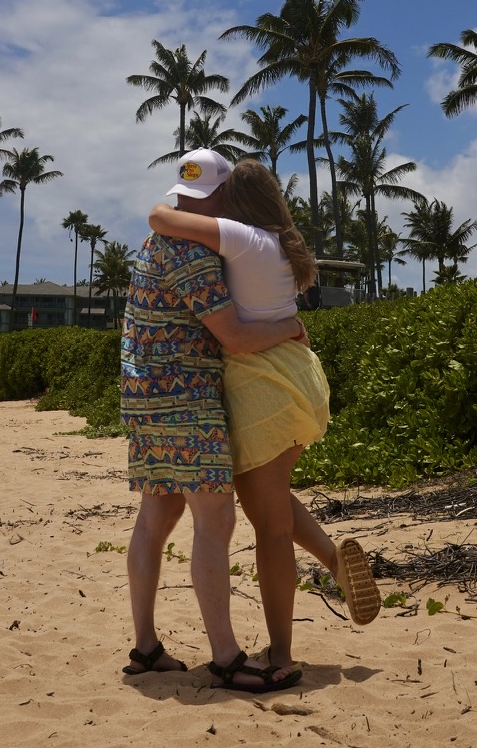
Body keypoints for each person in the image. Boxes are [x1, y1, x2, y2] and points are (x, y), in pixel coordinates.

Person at [149, 158, 381, 670]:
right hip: (297, 376)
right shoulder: (279, 243)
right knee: (271, 500)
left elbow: (160, 219)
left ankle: (280, 652)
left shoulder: (241, 237)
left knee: (269, 526)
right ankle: (335, 562)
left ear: (235, 201)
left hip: (262, 387)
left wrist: (181, 205)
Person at [121, 149, 305, 693]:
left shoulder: (155, 240)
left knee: (157, 514)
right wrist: (291, 328)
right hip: (184, 393)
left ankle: (146, 647)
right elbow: (238, 338)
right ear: (224, 196)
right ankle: (225, 657)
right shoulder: (195, 254)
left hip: (140, 389)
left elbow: (159, 216)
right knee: (215, 521)